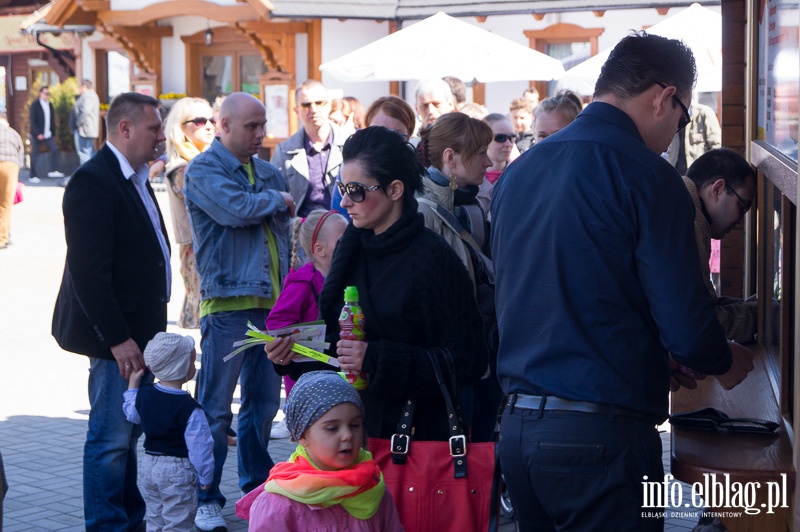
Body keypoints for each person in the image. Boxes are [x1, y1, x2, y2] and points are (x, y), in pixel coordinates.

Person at [491, 32, 755, 531]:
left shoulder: (520, 172)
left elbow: (550, 298)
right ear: (663, 97)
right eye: (683, 115)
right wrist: (722, 359)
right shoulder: (650, 178)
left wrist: (656, 358)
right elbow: (688, 327)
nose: (679, 128)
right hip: (601, 441)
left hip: (519, 432)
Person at [267, 126, 487, 442]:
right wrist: (294, 354)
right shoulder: (351, 248)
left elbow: (468, 360)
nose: (344, 200)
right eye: (342, 186)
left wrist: (377, 358)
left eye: (356, 190)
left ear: (395, 190)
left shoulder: (433, 258)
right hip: (350, 435)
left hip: (414, 440)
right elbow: (339, 342)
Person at [51, 92, 170, 531]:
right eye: (154, 128)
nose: (161, 136)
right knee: (110, 441)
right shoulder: (93, 180)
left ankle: (127, 522)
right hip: (117, 342)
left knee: (128, 436)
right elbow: (88, 273)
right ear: (125, 129)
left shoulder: (135, 176)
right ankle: (107, 525)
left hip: (141, 333)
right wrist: (118, 339)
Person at [184, 92, 295, 531]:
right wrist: (279, 200)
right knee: (214, 410)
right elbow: (237, 210)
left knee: (263, 405)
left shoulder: (268, 170)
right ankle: (207, 496)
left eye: (263, 124)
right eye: (251, 126)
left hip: (273, 305)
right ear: (222, 126)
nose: (260, 134)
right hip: (227, 307)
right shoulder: (203, 170)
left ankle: (254, 489)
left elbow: (285, 236)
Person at [415, 112, 499, 441]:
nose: (488, 159)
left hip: (484, 349)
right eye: (479, 152)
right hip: (454, 359)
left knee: (482, 445)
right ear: (451, 158)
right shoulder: (422, 210)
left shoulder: (471, 204)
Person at [236, 371, 405, 531]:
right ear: (302, 435)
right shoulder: (278, 504)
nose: (347, 435)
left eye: (355, 425)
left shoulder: (372, 485)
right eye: (332, 428)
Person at [265, 209, 348, 439]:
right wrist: (304, 342)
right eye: (342, 241)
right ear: (319, 250)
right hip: (307, 381)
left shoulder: (345, 277)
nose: (349, 245)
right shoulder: (303, 282)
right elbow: (276, 323)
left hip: (337, 376)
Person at [123, 332, 214, 531]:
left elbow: (132, 415)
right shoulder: (189, 407)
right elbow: (200, 447)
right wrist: (206, 476)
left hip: (149, 466)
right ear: (181, 366)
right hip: (177, 470)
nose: (194, 366)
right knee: (178, 522)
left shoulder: (145, 394)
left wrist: (132, 386)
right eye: (192, 362)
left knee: (155, 518)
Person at [684, 148, 758, 343]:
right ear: (717, 189)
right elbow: (704, 324)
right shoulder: (692, 219)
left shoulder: (682, 198)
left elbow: (703, 303)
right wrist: (767, 317)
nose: (741, 221)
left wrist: (749, 307)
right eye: (742, 208)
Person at [163, 97, 216, 329]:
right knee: (209, 320)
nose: (209, 125)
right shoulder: (184, 170)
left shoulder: (200, 162)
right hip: (197, 250)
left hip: (205, 248)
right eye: (200, 120)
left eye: (212, 119)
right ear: (181, 129)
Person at [330, 96, 416, 218]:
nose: (385, 142)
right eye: (377, 133)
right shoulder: (350, 171)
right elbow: (340, 217)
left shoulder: (416, 172)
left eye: (396, 135)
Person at [271, 80, 347, 218]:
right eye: (306, 105)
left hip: (343, 228)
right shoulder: (283, 151)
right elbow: (274, 197)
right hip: (301, 232)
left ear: (329, 106)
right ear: (296, 110)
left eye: (319, 103)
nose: (314, 109)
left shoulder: (350, 143)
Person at [665, 101, 722, 174]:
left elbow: (716, 146)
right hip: (676, 172)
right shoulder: (671, 114)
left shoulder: (704, 113)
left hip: (699, 174)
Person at [478, 113, 518, 218]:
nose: (508, 144)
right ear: (483, 140)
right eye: (500, 138)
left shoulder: (520, 175)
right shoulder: (467, 178)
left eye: (512, 138)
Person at [0, 111, 23, 250]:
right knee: (6, 204)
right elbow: (20, 155)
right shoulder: (13, 133)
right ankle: (3, 237)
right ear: (6, 122)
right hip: (10, 165)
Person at [29, 86, 60, 183]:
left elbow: (52, 120)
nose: (47, 95)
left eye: (48, 94)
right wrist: (38, 133)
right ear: (40, 94)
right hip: (37, 134)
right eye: (45, 93)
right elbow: (33, 121)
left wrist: (53, 132)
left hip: (48, 133)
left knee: (55, 149)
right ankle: (33, 175)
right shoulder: (35, 105)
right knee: (35, 154)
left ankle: (53, 170)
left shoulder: (49, 105)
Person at [69, 79, 100, 165]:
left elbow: (85, 111)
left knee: (84, 153)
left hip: (84, 130)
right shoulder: (90, 95)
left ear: (84, 86)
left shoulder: (88, 96)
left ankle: (86, 176)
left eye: (80, 87)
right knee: (89, 152)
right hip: (86, 129)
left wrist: (78, 124)